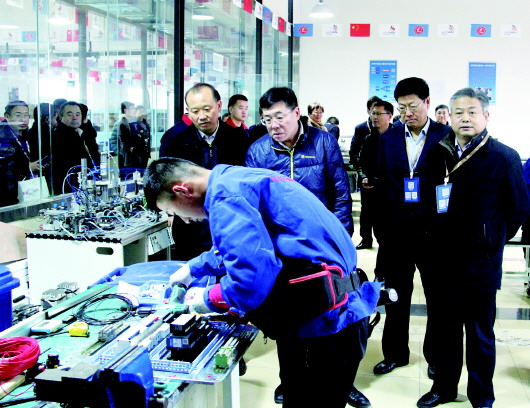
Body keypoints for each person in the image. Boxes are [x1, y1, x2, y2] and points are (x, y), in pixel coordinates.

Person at [142, 157, 381, 408]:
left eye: (173, 212)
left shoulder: (225, 198)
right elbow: (248, 244)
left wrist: (205, 299)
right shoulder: (237, 179)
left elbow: (249, 284)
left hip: (323, 324)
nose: (184, 220)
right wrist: (193, 269)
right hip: (338, 310)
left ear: (182, 190)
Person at [417, 88, 530, 408]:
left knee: (480, 334)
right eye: (459, 112)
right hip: (442, 259)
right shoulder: (437, 153)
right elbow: (426, 200)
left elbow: (518, 208)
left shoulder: (503, 156)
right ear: (450, 117)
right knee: (446, 330)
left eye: (472, 112)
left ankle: (481, 395)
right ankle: (444, 388)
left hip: (481, 262)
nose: (465, 118)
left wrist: (491, 238)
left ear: (486, 116)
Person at [373, 77, 451, 377]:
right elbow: (381, 188)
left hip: (434, 232)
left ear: (427, 103)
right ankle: (395, 353)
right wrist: (382, 233)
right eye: (402, 107)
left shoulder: (446, 136)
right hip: (397, 233)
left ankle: (437, 357)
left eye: (413, 106)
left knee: (438, 297)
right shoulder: (388, 138)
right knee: (395, 294)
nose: (407, 113)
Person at [158, 83, 250, 261]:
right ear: (188, 111)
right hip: (189, 227)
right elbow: (163, 182)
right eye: (195, 111)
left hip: (229, 224)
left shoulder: (238, 138)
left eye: (207, 109)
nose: (202, 116)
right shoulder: (174, 141)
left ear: (219, 106)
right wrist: (174, 210)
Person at [247, 87, 353, 235]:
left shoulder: (324, 142)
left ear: (296, 113)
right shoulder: (257, 151)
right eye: (268, 119)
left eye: (279, 117)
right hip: (277, 237)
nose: (274, 125)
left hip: (318, 233)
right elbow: (251, 202)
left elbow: (341, 194)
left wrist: (340, 238)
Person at [356, 100, 394, 251]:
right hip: (369, 185)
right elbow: (361, 161)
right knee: (366, 214)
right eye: (373, 113)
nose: (375, 117)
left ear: (389, 116)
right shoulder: (369, 138)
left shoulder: (397, 137)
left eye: (379, 113)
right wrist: (363, 176)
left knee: (384, 221)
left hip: (388, 187)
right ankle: (366, 239)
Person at [50, 101, 99, 194]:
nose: (74, 117)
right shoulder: (59, 136)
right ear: (61, 117)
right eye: (70, 114)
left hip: (86, 184)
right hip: (70, 188)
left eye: (78, 114)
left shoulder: (81, 133)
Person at [0, 100, 34, 206]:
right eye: (18, 115)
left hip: (26, 190)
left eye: (26, 115)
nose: (23, 119)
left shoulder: (28, 134)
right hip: (6, 195)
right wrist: (27, 167)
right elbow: (4, 168)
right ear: (7, 116)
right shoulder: (3, 137)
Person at [349, 96, 382, 171]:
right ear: (368, 110)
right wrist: (360, 169)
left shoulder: (388, 127)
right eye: (374, 108)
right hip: (365, 169)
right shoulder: (360, 128)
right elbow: (354, 151)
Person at [109, 101, 136, 167]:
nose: (134, 111)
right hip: (124, 157)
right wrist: (119, 153)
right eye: (132, 109)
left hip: (132, 156)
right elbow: (114, 140)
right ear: (125, 110)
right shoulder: (120, 123)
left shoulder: (131, 122)